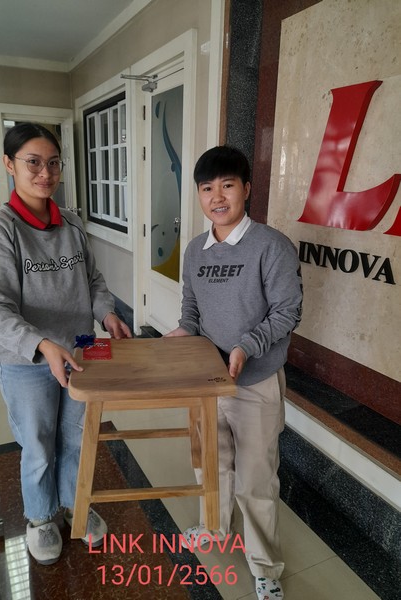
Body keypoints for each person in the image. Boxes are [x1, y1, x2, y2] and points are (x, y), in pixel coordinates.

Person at [0, 122, 132, 566]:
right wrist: (41, 344)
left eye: (53, 163)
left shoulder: (72, 224)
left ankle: (74, 504)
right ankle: (41, 517)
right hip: (27, 360)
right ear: (9, 165)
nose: (46, 173)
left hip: (79, 349)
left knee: (77, 438)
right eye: (33, 162)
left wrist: (106, 313)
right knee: (39, 444)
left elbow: (93, 279)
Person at [167, 146, 302, 600]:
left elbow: (287, 311)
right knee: (210, 462)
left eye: (227, 185)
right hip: (207, 380)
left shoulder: (271, 245)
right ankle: (214, 529)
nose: (217, 197)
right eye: (207, 188)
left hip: (255, 381)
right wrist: (181, 332)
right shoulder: (195, 250)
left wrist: (247, 346)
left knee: (256, 478)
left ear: (246, 188)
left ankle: (264, 567)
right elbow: (192, 308)